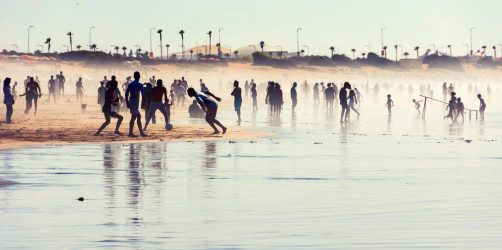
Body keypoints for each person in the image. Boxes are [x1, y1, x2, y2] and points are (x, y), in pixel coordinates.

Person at [125, 71, 147, 137]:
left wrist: (127, 102)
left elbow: (126, 94)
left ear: (134, 77)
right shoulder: (140, 84)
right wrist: (144, 103)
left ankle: (140, 132)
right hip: (135, 101)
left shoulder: (130, 84)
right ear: (139, 77)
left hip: (131, 100)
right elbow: (143, 94)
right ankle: (130, 133)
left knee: (138, 116)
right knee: (134, 117)